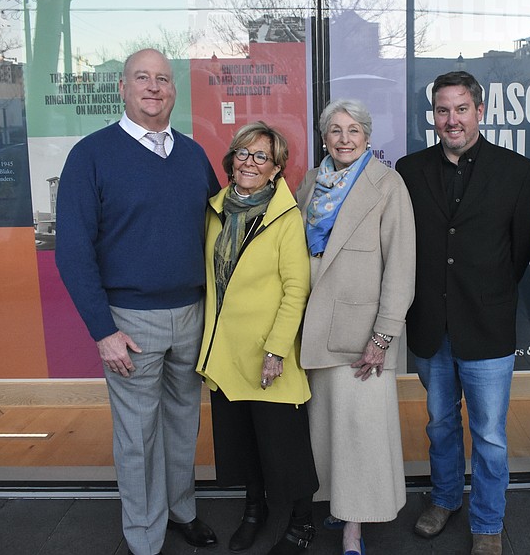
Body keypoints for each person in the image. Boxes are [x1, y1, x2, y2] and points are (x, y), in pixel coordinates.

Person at [55, 48, 219, 555]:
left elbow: (216, 234)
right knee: (136, 435)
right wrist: (103, 331)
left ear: (174, 91)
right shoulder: (91, 155)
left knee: (181, 424)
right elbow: (73, 251)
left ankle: (180, 511)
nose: (154, 87)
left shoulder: (192, 155)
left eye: (163, 79)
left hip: (191, 315)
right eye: (142, 78)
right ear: (122, 89)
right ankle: (144, 537)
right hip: (130, 322)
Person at [395, 71, 530, 555]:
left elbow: (520, 252)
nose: (451, 119)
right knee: (439, 424)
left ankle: (488, 523)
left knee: (491, 436)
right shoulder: (409, 170)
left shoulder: (517, 172)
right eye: (442, 110)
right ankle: (445, 498)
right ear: (431, 115)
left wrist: (485, 292)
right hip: (432, 326)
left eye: (461, 109)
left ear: (480, 111)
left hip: (487, 324)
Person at [296, 99, 416, 555]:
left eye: (354, 130)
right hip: (315, 326)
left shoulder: (387, 184)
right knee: (326, 431)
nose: (344, 138)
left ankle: (354, 529)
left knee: (361, 435)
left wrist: (383, 336)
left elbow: (401, 267)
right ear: (324, 137)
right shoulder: (311, 181)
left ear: (368, 136)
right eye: (335, 130)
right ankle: (338, 505)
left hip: (361, 334)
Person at [195, 122, 318, 554]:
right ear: (231, 161)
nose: (249, 163)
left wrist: (277, 349)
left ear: (277, 168)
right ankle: (254, 511)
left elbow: (296, 287)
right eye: (243, 154)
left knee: (284, 446)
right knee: (245, 443)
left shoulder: (286, 217)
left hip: (270, 352)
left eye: (260, 156)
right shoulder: (215, 210)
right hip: (226, 351)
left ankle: (302, 521)